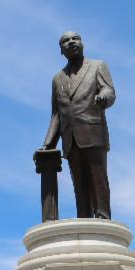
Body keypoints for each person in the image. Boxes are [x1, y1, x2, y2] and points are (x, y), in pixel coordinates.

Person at [41, 30, 115, 219]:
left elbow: (108, 90)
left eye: (75, 38)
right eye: (66, 41)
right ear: (61, 50)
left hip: (93, 131)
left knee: (98, 179)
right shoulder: (57, 79)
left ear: (82, 43)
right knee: (79, 185)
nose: (71, 42)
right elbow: (57, 114)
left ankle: (103, 217)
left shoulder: (98, 66)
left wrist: (103, 98)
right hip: (70, 138)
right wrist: (48, 143)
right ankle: (84, 217)